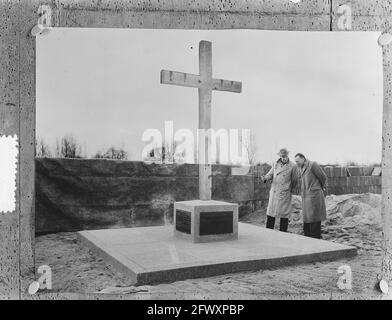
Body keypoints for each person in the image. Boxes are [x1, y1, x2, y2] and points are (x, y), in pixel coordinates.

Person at [262, 148, 299, 232]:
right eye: (282, 157)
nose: (284, 158)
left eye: (285, 156)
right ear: (280, 156)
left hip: (285, 194)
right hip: (274, 192)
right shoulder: (275, 164)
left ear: (288, 156)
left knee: (284, 216)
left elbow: (295, 181)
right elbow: (270, 174)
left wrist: (288, 190)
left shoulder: (293, 166)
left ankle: (283, 234)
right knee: (271, 214)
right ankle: (268, 233)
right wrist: (265, 178)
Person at [294, 153, 327, 239]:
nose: (296, 163)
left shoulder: (312, 165)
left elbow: (323, 177)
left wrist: (317, 188)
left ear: (303, 159)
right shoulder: (300, 168)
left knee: (314, 218)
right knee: (307, 219)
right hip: (306, 196)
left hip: (314, 196)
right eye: (295, 161)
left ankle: (315, 238)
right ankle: (308, 237)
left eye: (297, 161)